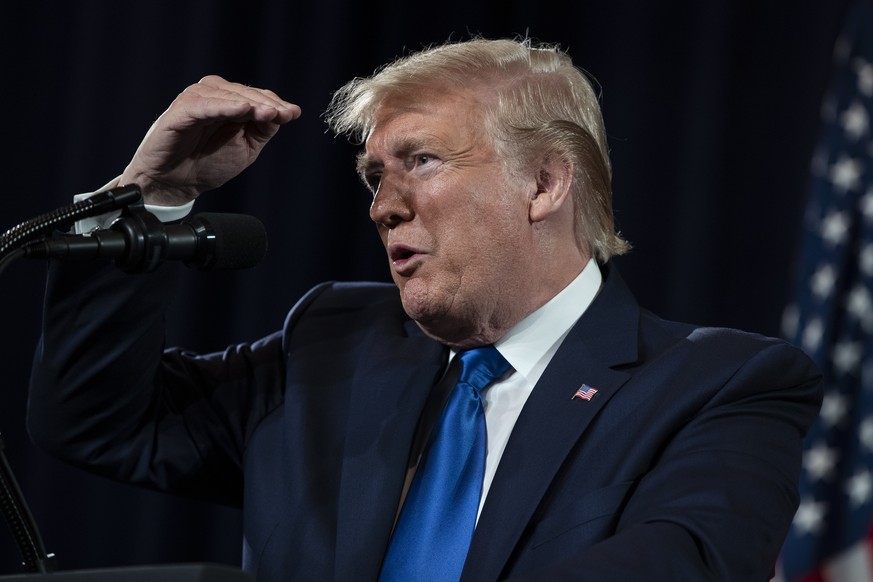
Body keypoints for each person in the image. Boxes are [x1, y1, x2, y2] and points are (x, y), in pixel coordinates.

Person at [28, 38, 822, 581]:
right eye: (376, 176)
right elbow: (99, 419)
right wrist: (148, 201)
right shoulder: (331, 345)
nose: (383, 206)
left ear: (544, 183)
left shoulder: (720, 384)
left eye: (423, 161)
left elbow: (678, 565)